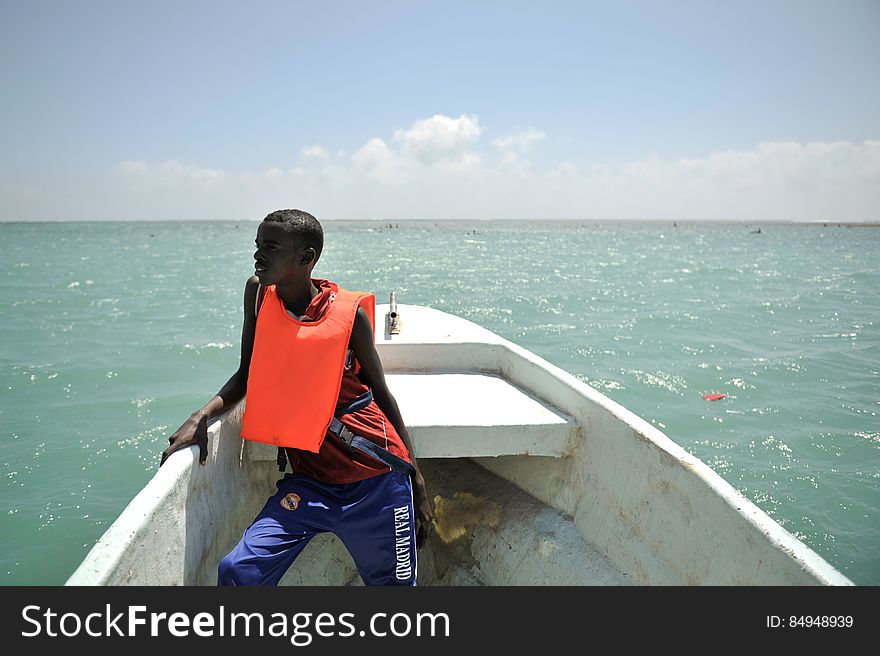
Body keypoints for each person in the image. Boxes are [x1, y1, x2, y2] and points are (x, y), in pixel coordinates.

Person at [160, 208, 433, 586]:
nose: (258, 255)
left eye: (270, 247)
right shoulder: (257, 295)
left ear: (306, 258)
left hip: (376, 479)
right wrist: (201, 415)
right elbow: (247, 373)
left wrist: (416, 479)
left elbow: (381, 395)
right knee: (238, 572)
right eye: (257, 246)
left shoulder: (350, 317)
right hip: (310, 481)